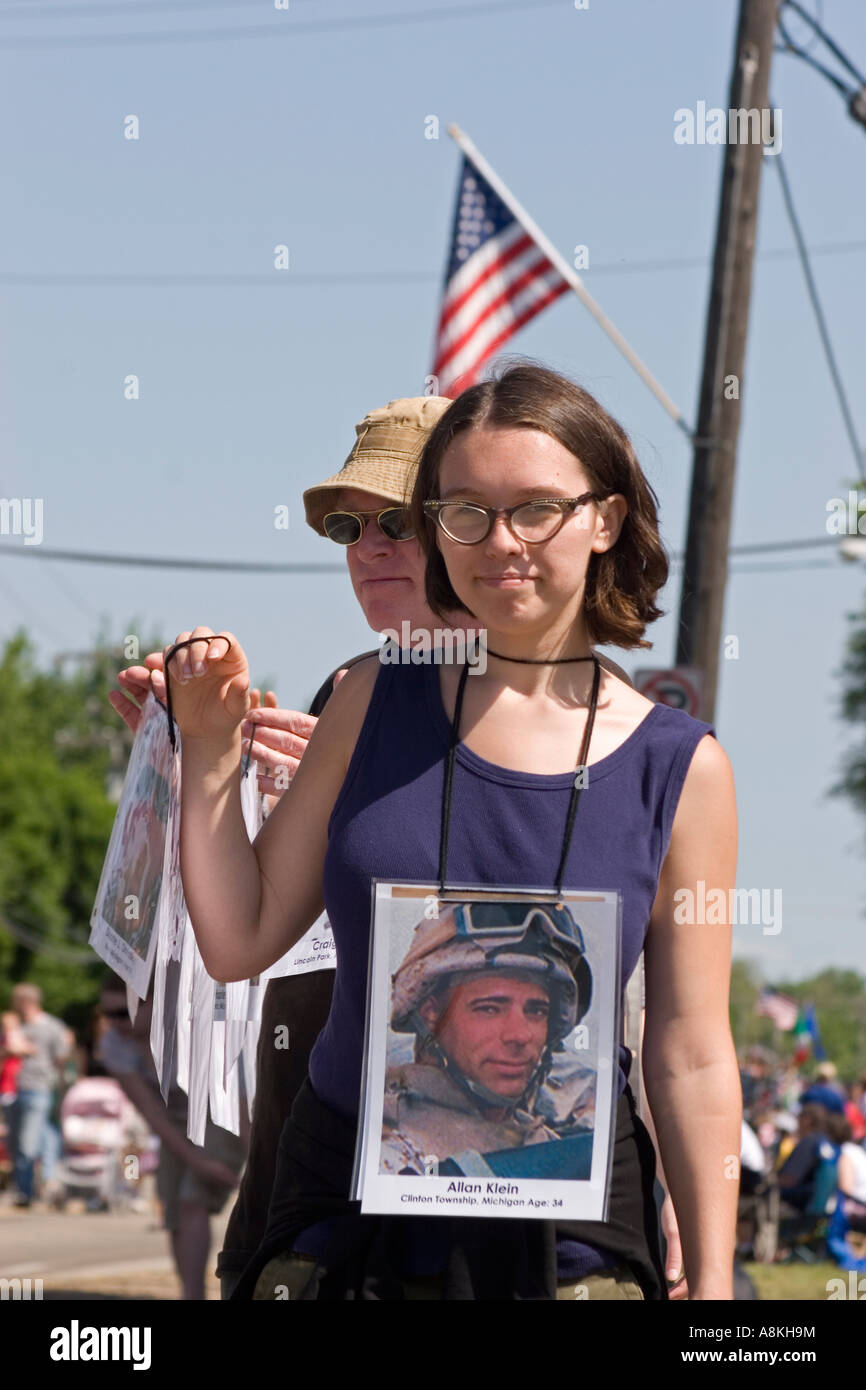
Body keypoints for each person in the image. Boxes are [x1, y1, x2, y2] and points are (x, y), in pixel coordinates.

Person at [158, 361, 743, 1299]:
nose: (500, 541)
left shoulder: (680, 766)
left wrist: (713, 1283)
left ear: (606, 519)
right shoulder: (367, 698)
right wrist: (208, 750)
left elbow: (694, 1050)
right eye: (466, 511)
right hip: (345, 1233)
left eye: (536, 509)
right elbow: (239, 936)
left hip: (574, 1248)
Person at [381, 901, 592, 1174]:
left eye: (537, 1011)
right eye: (489, 1008)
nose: (520, 1035)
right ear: (431, 1015)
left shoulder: (548, 1141)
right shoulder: (389, 1148)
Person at [97, 974, 246, 1299]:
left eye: (124, 1013)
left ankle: (195, 1293)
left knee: (193, 1199)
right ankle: (190, 1293)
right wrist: (196, 1161)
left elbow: (240, 1091)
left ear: (154, 1003)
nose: (116, 1023)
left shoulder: (189, 1026)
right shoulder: (114, 1044)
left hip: (220, 1111)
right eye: (108, 1014)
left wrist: (255, 1155)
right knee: (173, 1209)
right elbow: (154, 1117)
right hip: (175, 1122)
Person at [3, 984, 72, 1207]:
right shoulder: (15, 1025)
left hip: (38, 1088)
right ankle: (32, 1186)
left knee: (28, 1142)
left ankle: (26, 1191)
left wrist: (54, 1080)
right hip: (12, 1089)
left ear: (26, 1002)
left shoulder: (51, 1026)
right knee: (16, 1142)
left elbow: (63, 1055)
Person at [776, 1103, 835, 1212]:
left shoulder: (809, 1142)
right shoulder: (826, 1142)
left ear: (807, 1120)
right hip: (820, 1207)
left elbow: (789, 1179)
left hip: (798, 1207)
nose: (797, 1121)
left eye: (799, 1117)